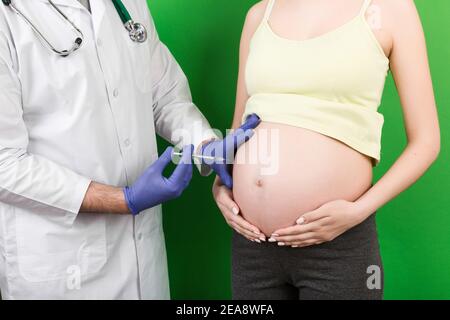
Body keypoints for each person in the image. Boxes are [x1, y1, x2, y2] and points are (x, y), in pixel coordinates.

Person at [0, 0, 259, 299]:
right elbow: (4, 164)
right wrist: (123, 200)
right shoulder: (8, 18)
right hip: (62, 262)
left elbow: (164, 95)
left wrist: (204, 143)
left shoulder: (126, 4)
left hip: (143, 255)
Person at [213, 0, 440, 300]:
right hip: (252, 243)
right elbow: (239, 127)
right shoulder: (259, 14)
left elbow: (426, 141)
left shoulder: (389, 9)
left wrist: (358, 211)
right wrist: (221, 185)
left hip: (336, 245)